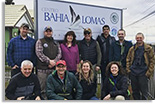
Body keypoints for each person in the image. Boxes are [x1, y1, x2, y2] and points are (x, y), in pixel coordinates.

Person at [126, 32, 155, 100]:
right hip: (133, 72)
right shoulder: (132, 49)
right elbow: (128, 59)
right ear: (135, 39)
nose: (139, 39)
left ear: (143, 38)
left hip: (143, 73)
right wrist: (128, 70)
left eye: (140, 38)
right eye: (137, 38)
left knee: (144, 92)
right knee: (135, 91)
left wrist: (148, 73)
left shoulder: (148, 49)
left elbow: (152, 61)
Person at [35, 26, 61, 99]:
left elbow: (59, 54)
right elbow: (39, 53)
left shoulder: (56, 42)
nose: (48, 32)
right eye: (47, 31)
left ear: (52, 32)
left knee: (53, 88)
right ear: (44, 32)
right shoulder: (40, 41)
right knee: (42, 89)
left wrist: (54, 62)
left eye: (50, 31)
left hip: (53, 70)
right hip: (42, 70)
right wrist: (49, 61)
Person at [96, 25, 116, 89]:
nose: (106, 31)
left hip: (110, 62)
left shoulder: (112, 39)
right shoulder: (99, 38)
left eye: (107, 29)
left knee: (111, 77)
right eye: (104, 29)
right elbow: (97, 51)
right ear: (102, 31)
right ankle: (103, 93)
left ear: (109, 30)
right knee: (103, 78)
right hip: (102, 62)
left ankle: (111, 91)